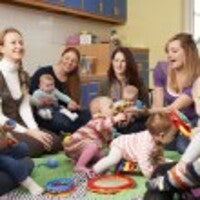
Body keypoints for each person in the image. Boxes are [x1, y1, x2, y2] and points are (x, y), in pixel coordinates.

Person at [0, 27, 61, 158]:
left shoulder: (23, 75)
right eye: (13, 42)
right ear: (1, 48)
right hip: (3, 128)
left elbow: (24, 106)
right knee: (36, 146)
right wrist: (29, 132)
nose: (19, 46)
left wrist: (34, 129)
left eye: (21, 43)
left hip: (19, 124)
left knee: (55, 142)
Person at [150, 32, 200, 153]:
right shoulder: (161, 70)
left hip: (192, 120)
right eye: (168, 51)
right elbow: (158, 104)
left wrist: (145, 111)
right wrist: (156, 125)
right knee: (157, 140)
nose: (169, 55)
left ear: (188, 53)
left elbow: (173, 107)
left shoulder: (197, 76)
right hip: (171, 118)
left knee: (182, 147)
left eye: (174, 51)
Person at [93, 112, 177, 179]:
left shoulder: (157, 139)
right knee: (113, 159)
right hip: (120, 145)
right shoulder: (147, 144)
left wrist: (162, 163)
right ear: (161, 135)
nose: (174, 138)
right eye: (172, 135)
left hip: (129, 147)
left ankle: (110, 167)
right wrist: (151, 175)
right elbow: (143, 162)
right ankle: (94, 171)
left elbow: (158, 156)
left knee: (155, 157)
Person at [29, 47, 91, 134]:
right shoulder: (43, 72)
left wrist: (73, 105)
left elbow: (70, 102)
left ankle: (81, 129)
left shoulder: (74, 80)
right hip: (46, 114)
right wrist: (42, 102)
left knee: (89, 114)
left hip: (64, 111)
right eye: (67, 58)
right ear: (61, 57)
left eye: (74, 61)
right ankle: (85, 130)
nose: (69, 62)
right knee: (64, 122)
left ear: (76, 64)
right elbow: (31, 97)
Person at [62, 96, 126, 177]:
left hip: (83, 148)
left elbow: (110, 142)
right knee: (93, 146)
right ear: (100, 111)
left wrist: (119, 152)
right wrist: (115, 119)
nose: (113, 109)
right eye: (110, 107)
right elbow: (101, 126)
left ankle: (83, 161)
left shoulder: (108, 127)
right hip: (74, 144)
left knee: (102, 157)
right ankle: (79, 166)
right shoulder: (98, 120)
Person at [98, 47, 149, 134]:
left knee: (138, 127)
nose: (119, 65)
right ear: (112, 62)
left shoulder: (138, 82)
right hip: (112, 121)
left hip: (134, 122)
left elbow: (146, 107)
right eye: (116, 60)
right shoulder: (105, 83)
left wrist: (134, 114)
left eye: (123, 61)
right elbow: (99, 106)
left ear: (128, 63)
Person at [0, 120, 44, 196]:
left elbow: (2, 132)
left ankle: (18, 168)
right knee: (10, 162)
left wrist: (6, 131)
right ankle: (28, 182)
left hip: (4, 149)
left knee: (22, 147)